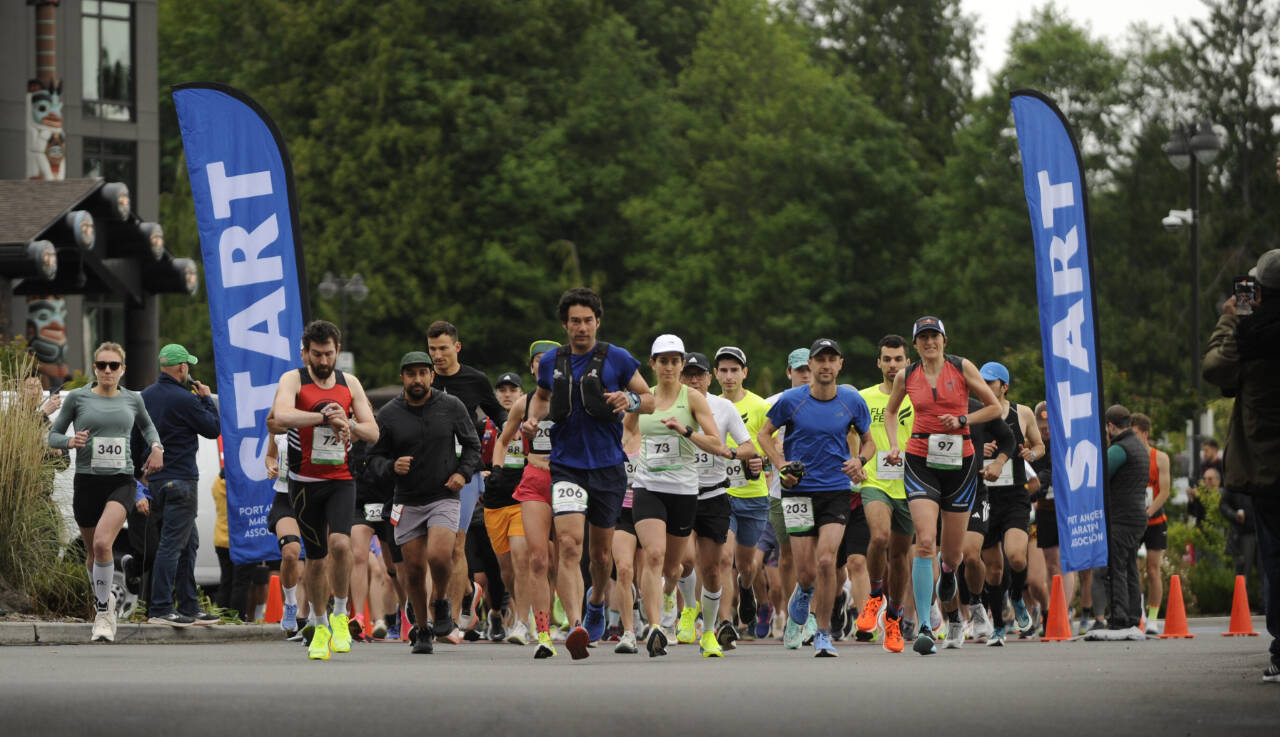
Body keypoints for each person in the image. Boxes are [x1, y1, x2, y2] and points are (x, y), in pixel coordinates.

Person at [522, 287, 655, 660]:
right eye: (575, 321)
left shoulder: (618, 358)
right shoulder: (551, 361)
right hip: (566, 467)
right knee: (567, 545)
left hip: (608, 468)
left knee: (600, 557)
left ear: (598, 322)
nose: (582, 328)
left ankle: (596, 600)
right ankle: (577, 625)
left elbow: (650, 398)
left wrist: (627, 400)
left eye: (588, 321)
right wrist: (534, 419)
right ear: (564, 325)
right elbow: (543, 396)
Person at [882, 317, 1002, 655]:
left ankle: (948, 571)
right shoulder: (908, 375)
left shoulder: (962, 367)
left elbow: (993, 406)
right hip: (920, 459)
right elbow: (891, 413)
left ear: (944, 340)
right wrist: (894, 445)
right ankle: (923, 626)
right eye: (922, 337)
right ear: (915, 344)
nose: (929, 342)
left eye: (934, 336)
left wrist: (964, 419)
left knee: (952, 553)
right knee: (923, 542)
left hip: (960, 464)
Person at [270, 320, 379, 660]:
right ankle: (319, 626)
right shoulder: (293, 380)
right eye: (316, 354)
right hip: (303, 484)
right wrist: (323, 418)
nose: (322, 360)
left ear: (337, 352)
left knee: (341, 543)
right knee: (315, 561)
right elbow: (281, 415)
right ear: (305, 353)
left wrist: (349, 424)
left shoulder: (350, 383)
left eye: (328, 353)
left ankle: (341, 615)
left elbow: (373, 432)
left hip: (340, 480)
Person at [757, 338, 874, 657]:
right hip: (798, 492)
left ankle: (823, 633)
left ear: (840, 365)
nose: (825, 365)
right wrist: (781, 466)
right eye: (819, 359)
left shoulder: (852, 401)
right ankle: (804, 592)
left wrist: (859, 462)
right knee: (805, 571)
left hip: (835, 491)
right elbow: (763, 434)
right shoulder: (791, 400)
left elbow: (869, 443)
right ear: (810, 365)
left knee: (826, 561)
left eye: (831, 359)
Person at [48, 342, 164, 642]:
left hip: (121, 481)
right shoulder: (78, 398)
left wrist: (156, 448)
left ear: (123, 369)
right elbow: (53, 434)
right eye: (102, 365)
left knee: (103, 543)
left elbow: (149, 428)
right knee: (92, 554)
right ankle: (106, 602)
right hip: (87, 481)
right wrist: (69, 443)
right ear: (95, 368)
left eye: (114, 365)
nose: (108, 371)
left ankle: (102, 614)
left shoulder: (132, 400)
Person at [367, 351, 481, 654]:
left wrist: (463, 473)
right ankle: (421, 629)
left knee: (441, 556)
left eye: (423, 373)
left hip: (443, 494)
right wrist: (392, 467)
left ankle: (441, 601)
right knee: (414, 570)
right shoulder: (389, 414)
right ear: (402, 377)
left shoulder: (451, 406)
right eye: (411, 374)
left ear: (432, 375)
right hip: (407, 500)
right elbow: (373, 457)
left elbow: (473, 445)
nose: (417, 379)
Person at [1203, 243, 1280, 682]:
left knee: (1275, 559)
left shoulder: (1252, 338)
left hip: (1268, 471)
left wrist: (1231, 317)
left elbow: (1216, 368)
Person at [625, 336, 728, 657]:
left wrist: (685, 431)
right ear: (652, 364)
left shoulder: (694, 399)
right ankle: (655, 627)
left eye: (674, 361)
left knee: (675, 568)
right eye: (662, 361)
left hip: (684, 490)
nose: (668, 367)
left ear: (682, 365)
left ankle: (669, 594)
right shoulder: (642, 399)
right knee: (653, 555)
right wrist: (632, 453)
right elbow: (628, 432)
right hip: (647, 487)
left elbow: (717, 445)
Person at [428, 321, 508, 641]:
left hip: (467, 472)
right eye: (432, 349)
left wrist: (509, 444)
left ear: (457, 347)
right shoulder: (424, 379)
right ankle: (469, 591)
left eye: (443, 348)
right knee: (437, 548)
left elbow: (499, 415)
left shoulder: (474, 380)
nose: (437, 355)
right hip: (431, 473)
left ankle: (445, 611)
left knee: (455, 545)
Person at [679, 350, 758, 654]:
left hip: (714, 495)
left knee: (714, 570)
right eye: (688, 374)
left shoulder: (722, 407)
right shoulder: (668, 407)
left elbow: (749, 447)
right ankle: (689, 609)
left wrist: (731, 453)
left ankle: (709, 632)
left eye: (699, 375)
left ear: (709, 378)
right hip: (680, 494)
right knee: (684, 561)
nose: (694, 380)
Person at [136, 344, 221, 628]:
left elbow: (135, 439)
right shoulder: (186, 399)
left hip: (157, 482)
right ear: (182, 367)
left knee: (188, 542)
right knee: (173, 544)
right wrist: (207, 399)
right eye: (188, 366)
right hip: (182, 479)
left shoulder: (145, 397)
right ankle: (160, 607)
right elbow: (212, 428)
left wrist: (143, 470)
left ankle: (188, 606)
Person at [496, 340, 560, 657]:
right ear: (532, 367)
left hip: (567, 479)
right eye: (538, 361)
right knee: (527, 558)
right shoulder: (524, 402)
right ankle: (527, 623)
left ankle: (574, 619)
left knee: (565, 558)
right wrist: (495, 469)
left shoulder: (574, 398)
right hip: (531, 482)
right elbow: (504, 440)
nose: (543, 366)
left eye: (549, 361)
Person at [853, 335, 915, 653]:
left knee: (901, 556)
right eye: (887, 359)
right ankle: (876, 593)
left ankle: (894, 617)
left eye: (898, 359)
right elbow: (850, 432)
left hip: (912, 486)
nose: (892, 365)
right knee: (879, 538)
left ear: (908, 362)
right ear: (878, 362)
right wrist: (857, 462)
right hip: (875, 481)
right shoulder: (863, 398)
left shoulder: (919, 397)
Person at [976, 361, 1045, 641]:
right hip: (984, 494)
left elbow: (1039, 445)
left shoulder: (1022, 412)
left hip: (1015, 493)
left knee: (1016, 557)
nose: (985, 387)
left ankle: (1017, 597)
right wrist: (980, 448)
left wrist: (1033, 455)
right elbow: (961, 446)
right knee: (993, 569)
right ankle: (998, 626)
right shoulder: (975, 412)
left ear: (1004, 387)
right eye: (981, 382)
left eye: (990, 382)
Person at [711, 346, 771, 631]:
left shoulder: (761, 407)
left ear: (745, 373)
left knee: (748, 566)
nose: (729, 376)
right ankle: (725, 622)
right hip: (722, 495)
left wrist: (764, 461)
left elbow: (774, 446)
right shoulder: (709, 406)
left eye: (735, 370)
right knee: (724, 558)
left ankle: (745, 587)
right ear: (715, 374)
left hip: (754, 496)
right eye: (723, 370)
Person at [1084, 405, 1148, 641]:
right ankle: (1133, 616)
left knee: (1116, 567)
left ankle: (1119, 617)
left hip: (1121, 518)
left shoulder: (1119, 449)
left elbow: (1098, 475)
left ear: (1111, 426)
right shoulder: (1139, 447)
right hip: (1137, 516)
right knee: (1130, 567)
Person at [1132, 413, 1171, 634]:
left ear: (1145, 433)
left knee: (1153, 570)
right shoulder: (1130, 456)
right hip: (1135, 519)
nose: (1133, 438)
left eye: (1136, 434)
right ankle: (1139, 613)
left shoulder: (1160, 458)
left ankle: (1154, 618)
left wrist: (1148, 512)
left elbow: (1164, 491)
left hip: (1154, 518)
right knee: (1134, 569)